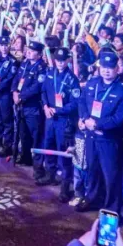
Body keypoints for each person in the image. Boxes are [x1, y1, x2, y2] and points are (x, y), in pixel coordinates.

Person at [77, 51, 123, 214]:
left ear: (117, 69)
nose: (106, 71)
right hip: (91, 136)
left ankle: (112, 209)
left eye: (110, 67)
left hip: (109, 139)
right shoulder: (92, 83)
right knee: (92, 170)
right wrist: (84, 118)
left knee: (111, 176)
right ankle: (92, 199)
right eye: (104, 67)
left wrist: (97, 124)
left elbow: (120, 118)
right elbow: (82, 102)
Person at [41, 46, 81, 200]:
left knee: (64, 153)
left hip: (63, 120)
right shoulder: (50, 73)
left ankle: (65, 186)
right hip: (50, 117)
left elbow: (75, 103)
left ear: (68, 60)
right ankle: (50, 175)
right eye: (58, 60)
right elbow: (43, 92)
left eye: (63, 60)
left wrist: (58, 110)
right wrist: (45, 106)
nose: (60, 63)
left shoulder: (72, 79)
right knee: (48, 146)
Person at [13, 40, 46, 167]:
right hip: (21, 105)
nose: (29, 52)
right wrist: (14, 92)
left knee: (35, 135)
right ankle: (25, 157)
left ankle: (37, 164)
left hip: (33, 106)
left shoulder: (41, 68)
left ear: (39, 54)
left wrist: (21, 96)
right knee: (23, 133)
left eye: (32, 51)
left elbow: (37, 87)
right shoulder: (25, 63)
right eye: (28, 50)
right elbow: (16, 79)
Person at [0, 34, 19, 155]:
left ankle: (7, 146)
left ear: (9, 45)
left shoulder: (13, 62)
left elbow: (9, 79)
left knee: (7, 120)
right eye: (1, 45)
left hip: (5, 94)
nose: (4, 47)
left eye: (6, 45)